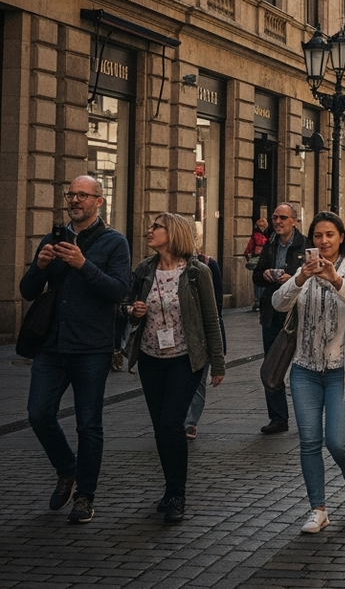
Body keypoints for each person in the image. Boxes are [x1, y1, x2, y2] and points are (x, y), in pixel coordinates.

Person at [21, 176, 131, 524]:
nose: (74, 200)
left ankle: (85, 496)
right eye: (71, 194)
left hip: (91, 347)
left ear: (99, 201)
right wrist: (39, 267)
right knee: (38, 413)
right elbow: (27, 290)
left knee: (89, 426)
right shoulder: (55, 238)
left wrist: (84, 265)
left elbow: (118, 291)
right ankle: (66, 468)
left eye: (82, 195)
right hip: (52, 345)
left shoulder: (115, 243)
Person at [272, 211, 345, 534]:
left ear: (341, 237)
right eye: (318, 236)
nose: (324, 241)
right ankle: (318, 508)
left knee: (337, 440)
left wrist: (336, 280)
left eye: (330, 235)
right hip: (304, 368)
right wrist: (300, 278)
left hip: (341, 369)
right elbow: (277, 302)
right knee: (309, 441)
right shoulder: (302, 273)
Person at [128, 213, 225, 523]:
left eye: (157, 227)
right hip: (150, 357)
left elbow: (211, 318)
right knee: (160, 427)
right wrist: (133, 311)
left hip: (186, 358)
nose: (150, 230)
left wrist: (218, 362)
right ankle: (169, 489)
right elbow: (126, 310)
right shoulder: (145, 269)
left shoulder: (198, 273)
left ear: (173, 234)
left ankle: (177, 493)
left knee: (172, 424)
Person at [252, 203, 306, 434]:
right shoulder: (270, 244)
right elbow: (256, 275)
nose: (278, 221)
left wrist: (292, 278)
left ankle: (307, 417)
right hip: (272, 314)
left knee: (302, 367)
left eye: (283, 217)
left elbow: (312, 276)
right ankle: (278, 418)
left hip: (299, 313)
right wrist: (264, 275)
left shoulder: (305, 244)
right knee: (272, 365)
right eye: (275, 217)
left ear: (294, 220)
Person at [184, 236, 224, 440]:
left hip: (200, 337)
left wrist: (217, 358)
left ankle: (190, 422)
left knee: (198, 383)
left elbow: (215, 307)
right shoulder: (149, 268)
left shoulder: (206, 266)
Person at [245, 217, 269, 311]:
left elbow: (248, 249)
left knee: (260, 279)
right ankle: (259, 300)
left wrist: (248, 257)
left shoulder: (258, 236)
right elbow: (249, 248)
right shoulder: (258, 236)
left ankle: (259, 300)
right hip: (259, 259)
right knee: (260, 279)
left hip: (260, 259)